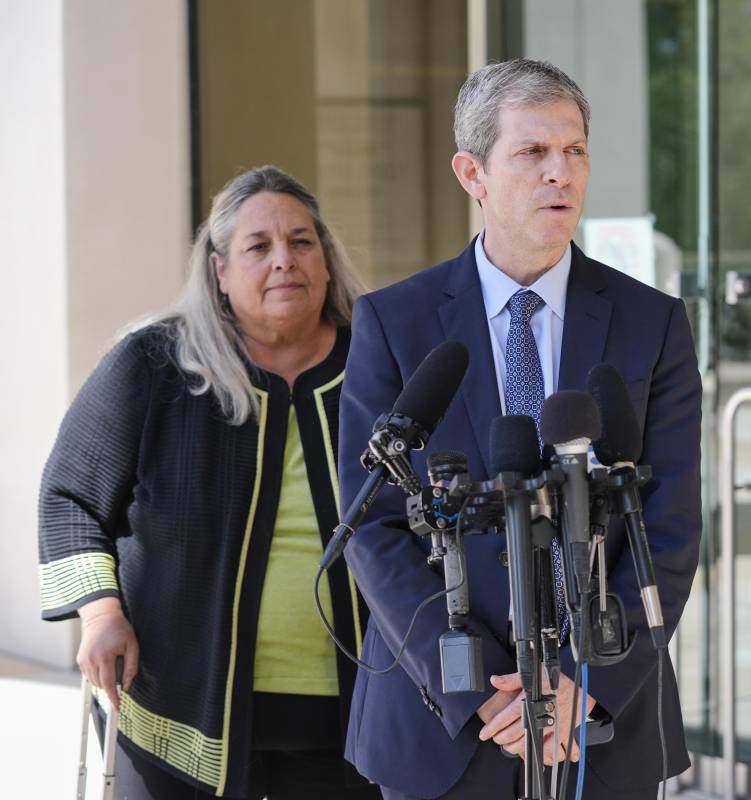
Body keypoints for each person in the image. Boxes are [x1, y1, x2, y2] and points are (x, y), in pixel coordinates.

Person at [338, 58, 702, 800]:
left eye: (574, 153)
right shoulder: (393, 322)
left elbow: (668, 526)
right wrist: (483, 690)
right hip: (443, 726)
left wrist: (582, 682)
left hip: (601, 722)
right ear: (472, 173)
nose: (559, 174)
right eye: (532, 153)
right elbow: (372, 524)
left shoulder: (651, 322)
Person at [38, 166, 379, 800]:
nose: (284, 260)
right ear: (219, 270)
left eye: (302, 242)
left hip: (354, 717)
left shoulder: (380, 367)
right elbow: (70, 499)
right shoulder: (154, 364)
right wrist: (101, 613)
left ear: (327, 260)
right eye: (258, 247)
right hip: (178, 713)